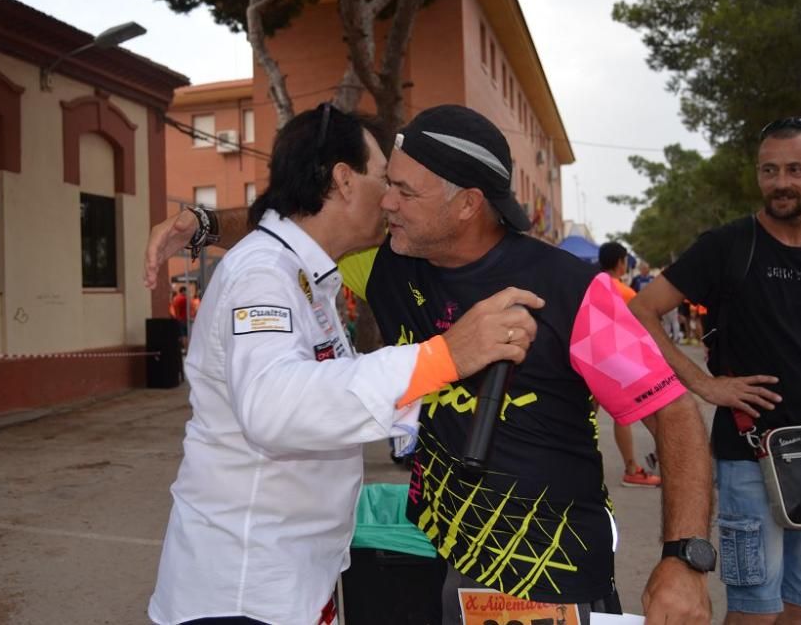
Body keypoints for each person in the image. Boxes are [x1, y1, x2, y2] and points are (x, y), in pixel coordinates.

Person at [147, 105, 714, 624]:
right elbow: (303, 219)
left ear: (466, 203)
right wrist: (206, 224)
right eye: (385, 182)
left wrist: (684, 558)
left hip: (544, 573)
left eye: (404, 190)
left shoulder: (568, 290)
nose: (386, 201)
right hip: (426, 557)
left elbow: (672, 412)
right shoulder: (387, 262)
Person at [144, 104, 542, 625]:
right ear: (344, 180)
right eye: (385, 180)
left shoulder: (304, 273)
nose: (393, 198)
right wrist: (445, 355)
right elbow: (274, 405)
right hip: (245, 590)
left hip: (292, 579)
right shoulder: (262, 276)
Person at [630, 117, 801, 625]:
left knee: (797, 602)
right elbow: (641, 311)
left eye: (795, 169)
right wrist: (703, 384)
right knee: (755, 612)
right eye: (769, 170)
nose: (781, 182)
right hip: (749, 457)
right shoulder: (729, 245)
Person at [598, 242, 662, 488]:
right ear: (620, 262)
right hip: (617, 361)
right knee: (625, 414)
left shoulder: (588, 285)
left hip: (588, 360)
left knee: (585, 416)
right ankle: (632, 469)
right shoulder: (626, 293)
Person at [171, 286, 190, 350]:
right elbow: (189, 309)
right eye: (186, 291)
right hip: (184, 319)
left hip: (178, 319)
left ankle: (183, 348)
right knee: (185, 335)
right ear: (183, 291)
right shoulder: (184, 299)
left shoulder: (176, 299)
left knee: (181, 335)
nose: (187, 292)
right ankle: (187, 349)